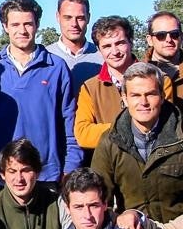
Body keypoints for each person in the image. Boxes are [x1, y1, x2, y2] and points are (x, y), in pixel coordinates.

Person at [0, 0, 79, 191]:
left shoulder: (56, 68)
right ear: (5, 26)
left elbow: (69, 123)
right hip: (0, 176)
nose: (22, 30)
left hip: (46, 177)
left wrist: (71, 167)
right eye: (15, 24)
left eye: (28, 24)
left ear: (37, 25)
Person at [91, 62, 183, 225]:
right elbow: (97, 200)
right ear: (125, 99)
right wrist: (118, 219)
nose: (144, 102)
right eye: (135, 95)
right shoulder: (110, 142)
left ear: (162, 97)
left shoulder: (180, 135)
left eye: (151, 94)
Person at [75, 16, 175, 151]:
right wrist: (131, 127)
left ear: (131, 42)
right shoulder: (90, 88)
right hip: (108, 167)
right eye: (107, 46)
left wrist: (105, 130)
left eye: (120, 43)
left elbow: (164, 126)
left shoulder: (161, 80)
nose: (114, 51)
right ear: (99, 50)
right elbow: (83, 135)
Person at [44, 0, 102, 89]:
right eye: (68, 17)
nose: (74, 24)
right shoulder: (45, 57)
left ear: (88, 18)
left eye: (80, 18)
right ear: (58, 17)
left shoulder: (103, 57)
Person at [145, 10, 183, 96]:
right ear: (150, 40)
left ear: (181, 37)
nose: (169, 40)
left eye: (174, 34)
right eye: (161, 35)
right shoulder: (139, 75)